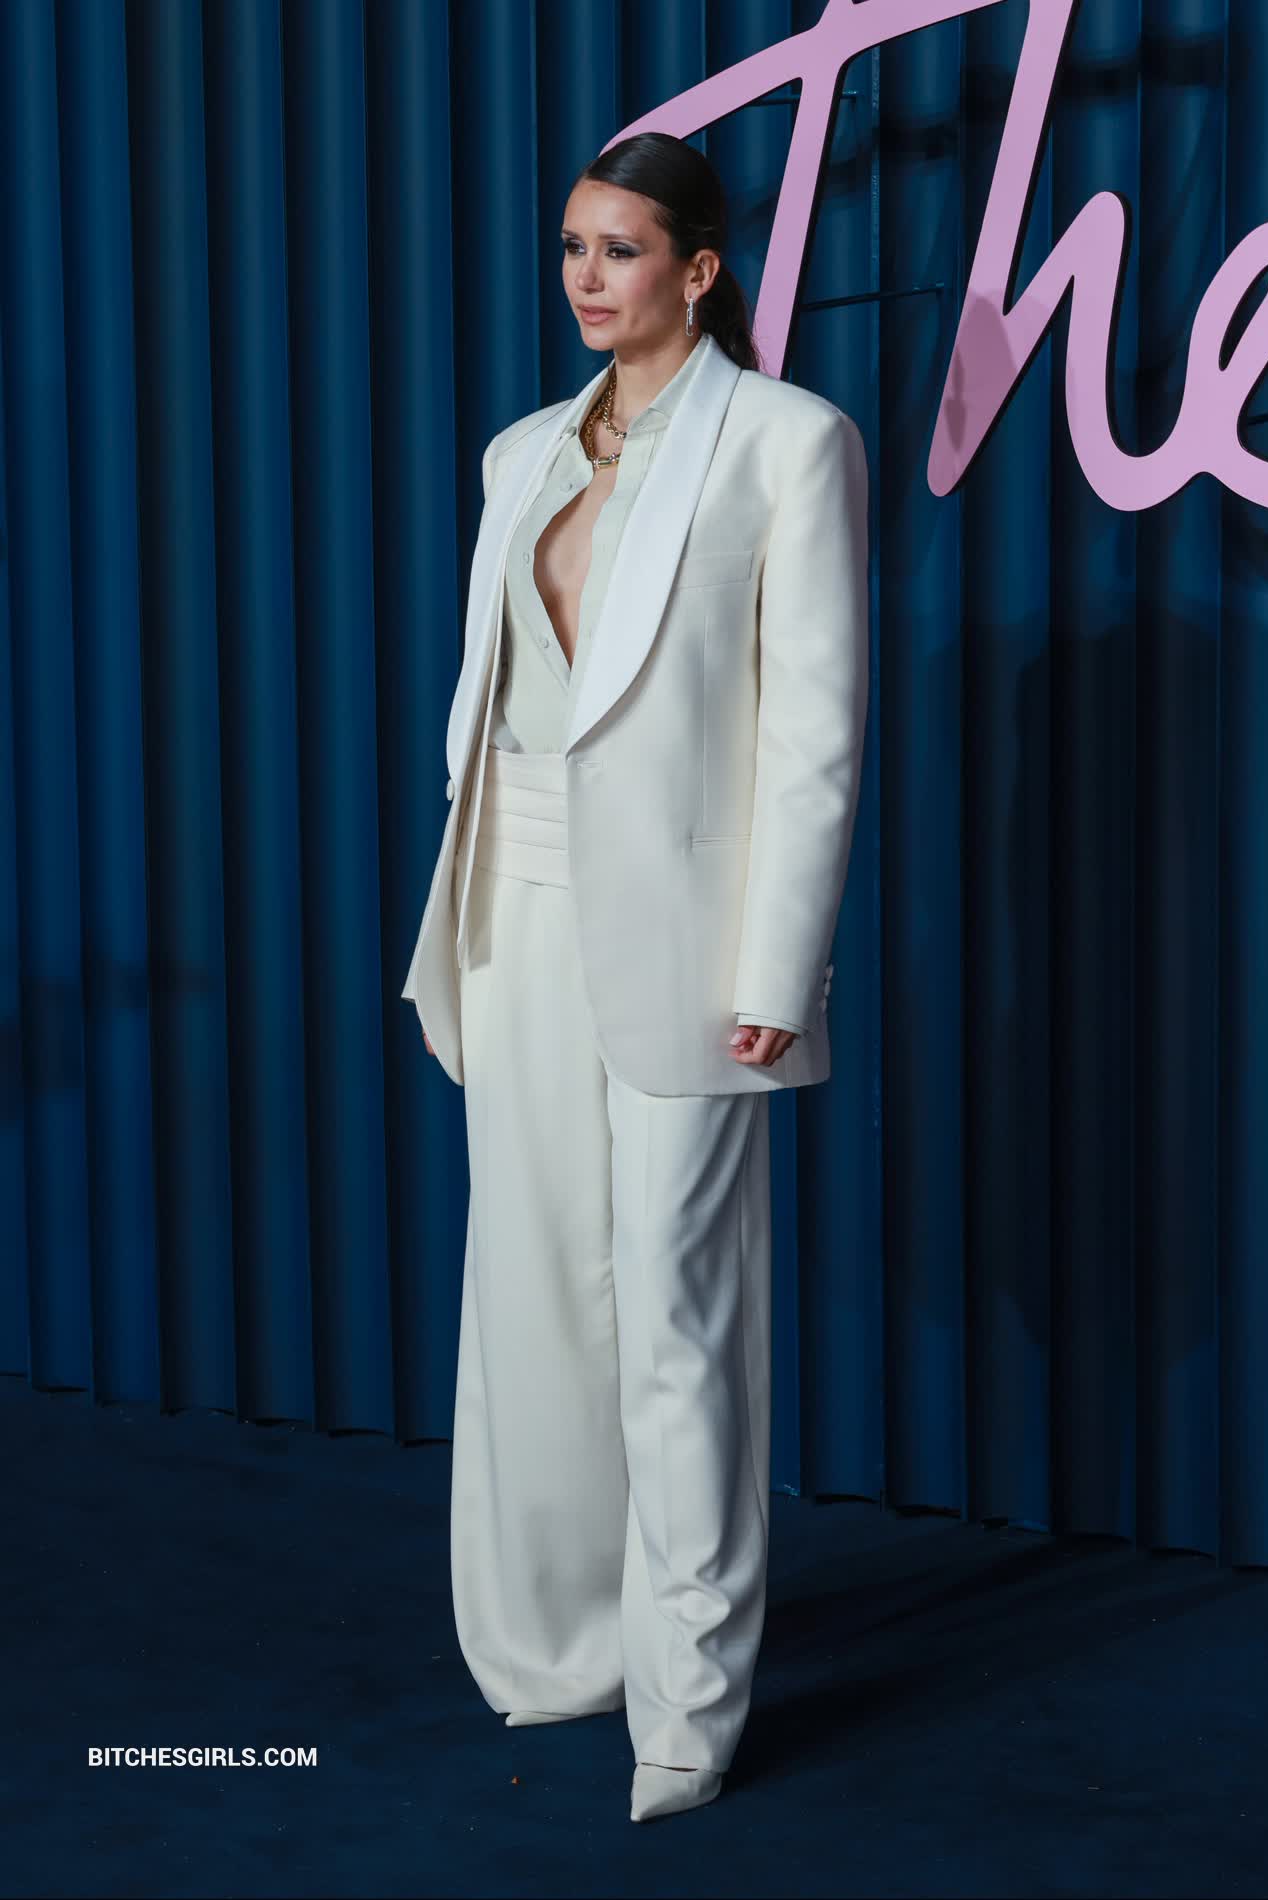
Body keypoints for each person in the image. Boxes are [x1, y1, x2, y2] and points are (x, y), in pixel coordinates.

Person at [401, 130, 869, 1823]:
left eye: (621, 250)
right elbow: (501, 702)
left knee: (677, 1313)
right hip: (513, 903)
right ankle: (556, 1646)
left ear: (700, 268)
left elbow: (812, 729)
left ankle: (689, 1702)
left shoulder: (789, 442)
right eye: (572, 248)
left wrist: (778, 959)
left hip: (691, 937)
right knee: (530, 1287)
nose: (587, 278)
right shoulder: (519, 451)